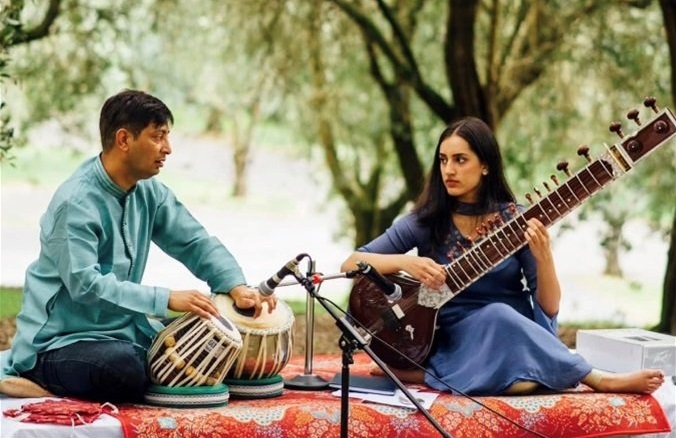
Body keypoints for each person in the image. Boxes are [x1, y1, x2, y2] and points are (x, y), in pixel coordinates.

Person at [340, 116, 664, 396]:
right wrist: (405, 262)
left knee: (501, 317)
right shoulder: (427, 220)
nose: (448, 170)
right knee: (499, 321)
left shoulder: (515, 220)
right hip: (452, 335)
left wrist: (545, 258)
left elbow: (548, 307)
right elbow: (352, 263)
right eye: (443, 160)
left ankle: (426, 375)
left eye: (460, 160)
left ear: (485, 166)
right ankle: (599, 379)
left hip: (511, 330)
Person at [0, 89, 276, 403]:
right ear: (124, 140)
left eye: (167, 137)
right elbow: (85, 286)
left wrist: (236, 285)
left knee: (208, 349)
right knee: (125, 371)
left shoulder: (149, 192)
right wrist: (167, 298)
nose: (168, 149)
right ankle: (29, 378)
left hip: (126, 334)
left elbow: (194, 242)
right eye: (158, 137)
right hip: (58, 343)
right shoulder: (76, 202)